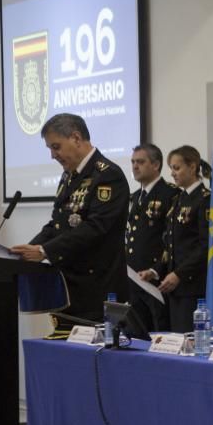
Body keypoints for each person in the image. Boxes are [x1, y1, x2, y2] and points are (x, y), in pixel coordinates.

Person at [11, 113, 129, 323]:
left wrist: (44, 251)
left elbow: (95, 227)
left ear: (75, 138)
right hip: (68, 287)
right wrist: (26, 251)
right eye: (50, 149)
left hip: (96, 290)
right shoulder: (69, 176)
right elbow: (57, 224)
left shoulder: (108, 175)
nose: (53, 155)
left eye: (56, 147)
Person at [138, 145, 210, 333]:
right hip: (174, 287)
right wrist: (155, 271)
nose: (172, 173)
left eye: (176, 168)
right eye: (171, 168)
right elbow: (171, 247)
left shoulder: (204, 199)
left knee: (188, 340)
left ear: (192, 167)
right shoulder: (178, 199)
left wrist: (179, 274)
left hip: (192, 286)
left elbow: (205, 246)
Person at [126, 143, 177, 332]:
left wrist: (156, 270)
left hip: (156, 280)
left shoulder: (170, 194)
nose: (135, 166)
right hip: (133, 278)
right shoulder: (135, 196)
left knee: (158, 333)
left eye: (140, 162)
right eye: (132, 162)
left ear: (156, 165)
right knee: (137, 333)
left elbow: (171, 241)